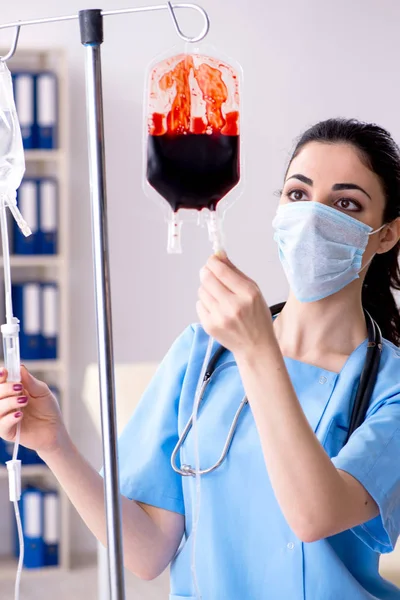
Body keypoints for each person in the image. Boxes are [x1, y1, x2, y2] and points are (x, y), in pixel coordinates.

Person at [1, 118, 400, 600]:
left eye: (345, 203)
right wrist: (55, 445)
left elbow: (314, 515)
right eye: (298, 194)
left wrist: (256, 348)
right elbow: (147, 552)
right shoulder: (203, 351)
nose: (313, 217)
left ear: (386, 235)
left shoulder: (390, 385)